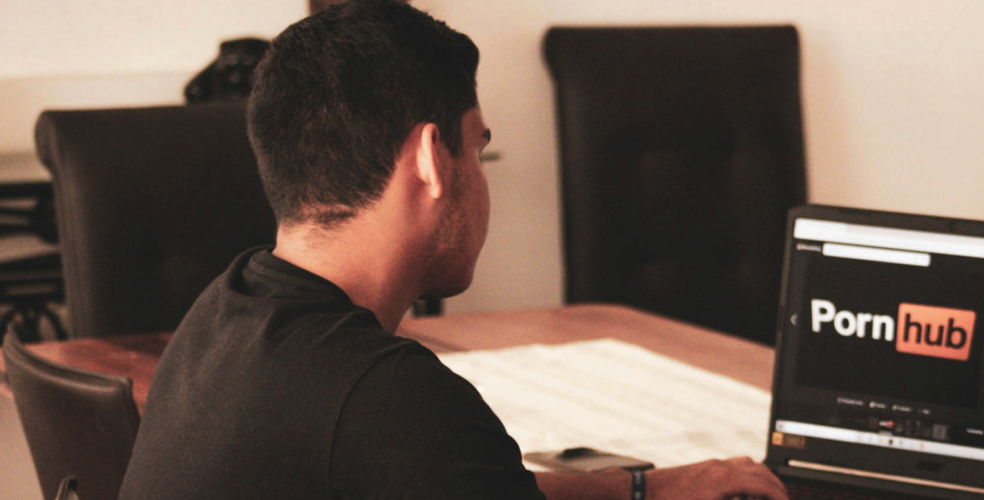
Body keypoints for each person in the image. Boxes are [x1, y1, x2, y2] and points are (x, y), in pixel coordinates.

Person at [118, 2, 788, 499]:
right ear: (432, 161)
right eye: (477, 144)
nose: (481, 173)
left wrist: (648, 487)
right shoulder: (393, 401)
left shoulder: (225, 313)